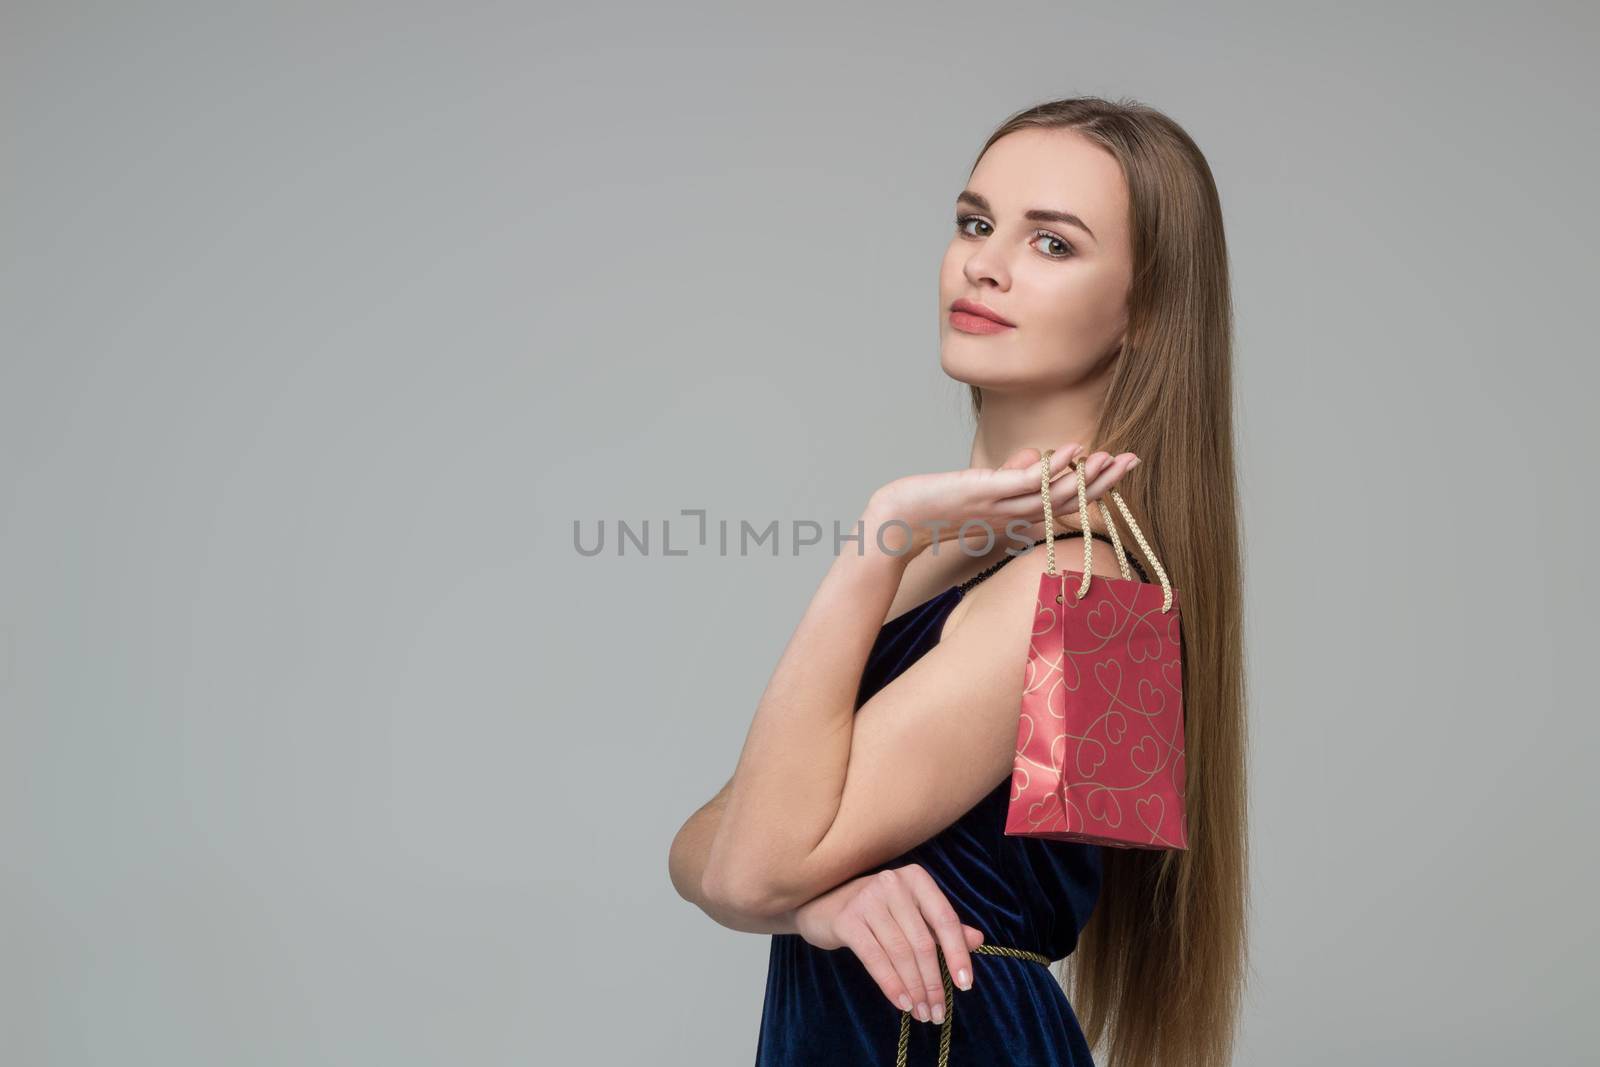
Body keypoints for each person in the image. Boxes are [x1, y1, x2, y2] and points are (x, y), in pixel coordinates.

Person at [669, 95, 1248, 1067]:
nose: (984, 261)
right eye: (975, 222)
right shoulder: (990, 558)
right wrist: (827, 899)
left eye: (1052, 243)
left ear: (1145, 310)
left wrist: (876, 539)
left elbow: (747, 871)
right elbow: (713, 847)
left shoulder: (1083, 588)